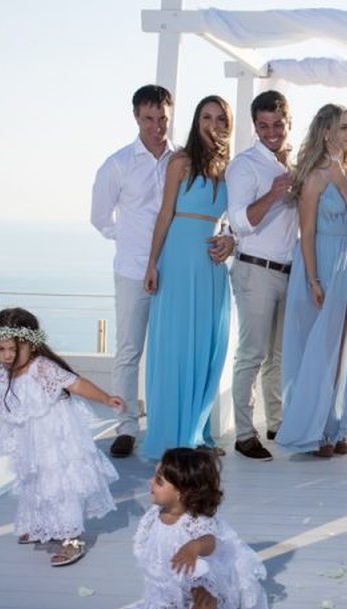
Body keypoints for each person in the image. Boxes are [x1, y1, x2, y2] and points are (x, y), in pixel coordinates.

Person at [90, 85, 233, 459]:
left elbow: (224, 215)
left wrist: (228, 237)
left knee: (190, 348)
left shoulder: (188, 158)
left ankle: (190, 430)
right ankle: (126, 427)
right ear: (136, 117)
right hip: (137, 267)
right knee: (130, 349)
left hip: (185, 266)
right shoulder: (118, 164)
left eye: (162, 119)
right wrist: (134, 243)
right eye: (148, 119)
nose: (156, 126)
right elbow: (100, 218)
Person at [0, 308, 122, 567]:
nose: (7, 355)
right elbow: (4, 404)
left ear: (32, 345)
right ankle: (40, 525)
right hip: (30, 441)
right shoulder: (3, 373)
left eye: (14, 349)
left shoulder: (42, 368)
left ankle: (71, 538)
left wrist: (105, 398)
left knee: (60, 485)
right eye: (0, 349)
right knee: (34, 481)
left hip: (56, 438)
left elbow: (76, 384)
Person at [140, 95, 234, 460]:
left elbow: (237, 218)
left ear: (228, 124)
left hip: (212, 264)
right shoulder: (180, 162)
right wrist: (152, 262)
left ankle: (197, 432)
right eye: (206, 117)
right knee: (178, 346)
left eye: (220, 119)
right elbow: (165, 214)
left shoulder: (230, 168)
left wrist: (230, 238)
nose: (213, 124)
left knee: (209, 348)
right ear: (196, 122)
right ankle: (174, 436)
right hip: (178, 259)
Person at [278, 104, 347, 457]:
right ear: (326, 132)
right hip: (319, 262)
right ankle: (312, 431)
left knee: (341, 349)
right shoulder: (314, 176)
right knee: (316, 348)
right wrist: (313, 280)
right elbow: (307, 231)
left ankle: (336, 426)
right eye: (343, 127)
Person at [128, 448, 268, 609]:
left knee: (199, 572)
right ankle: (185, 603)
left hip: (201, 571)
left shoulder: (193, 520)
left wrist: (194, 547)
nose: (150, 482)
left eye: (159, 481)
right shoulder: (155, 512)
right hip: (175, 574)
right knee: (185, 575)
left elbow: (209, 542)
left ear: (182, 493)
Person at [226, 90, 298, 461]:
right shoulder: (244, 165)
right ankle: (243, 433)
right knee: (251, 355)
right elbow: (239, 222)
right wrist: (272, 194)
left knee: (279, 355)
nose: (271, 132)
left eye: (278, 125)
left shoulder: (298, 164)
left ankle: (277, 422)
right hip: (255, 269)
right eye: (264, 126)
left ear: (289, 123)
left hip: (289, 271)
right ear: (255, 126)